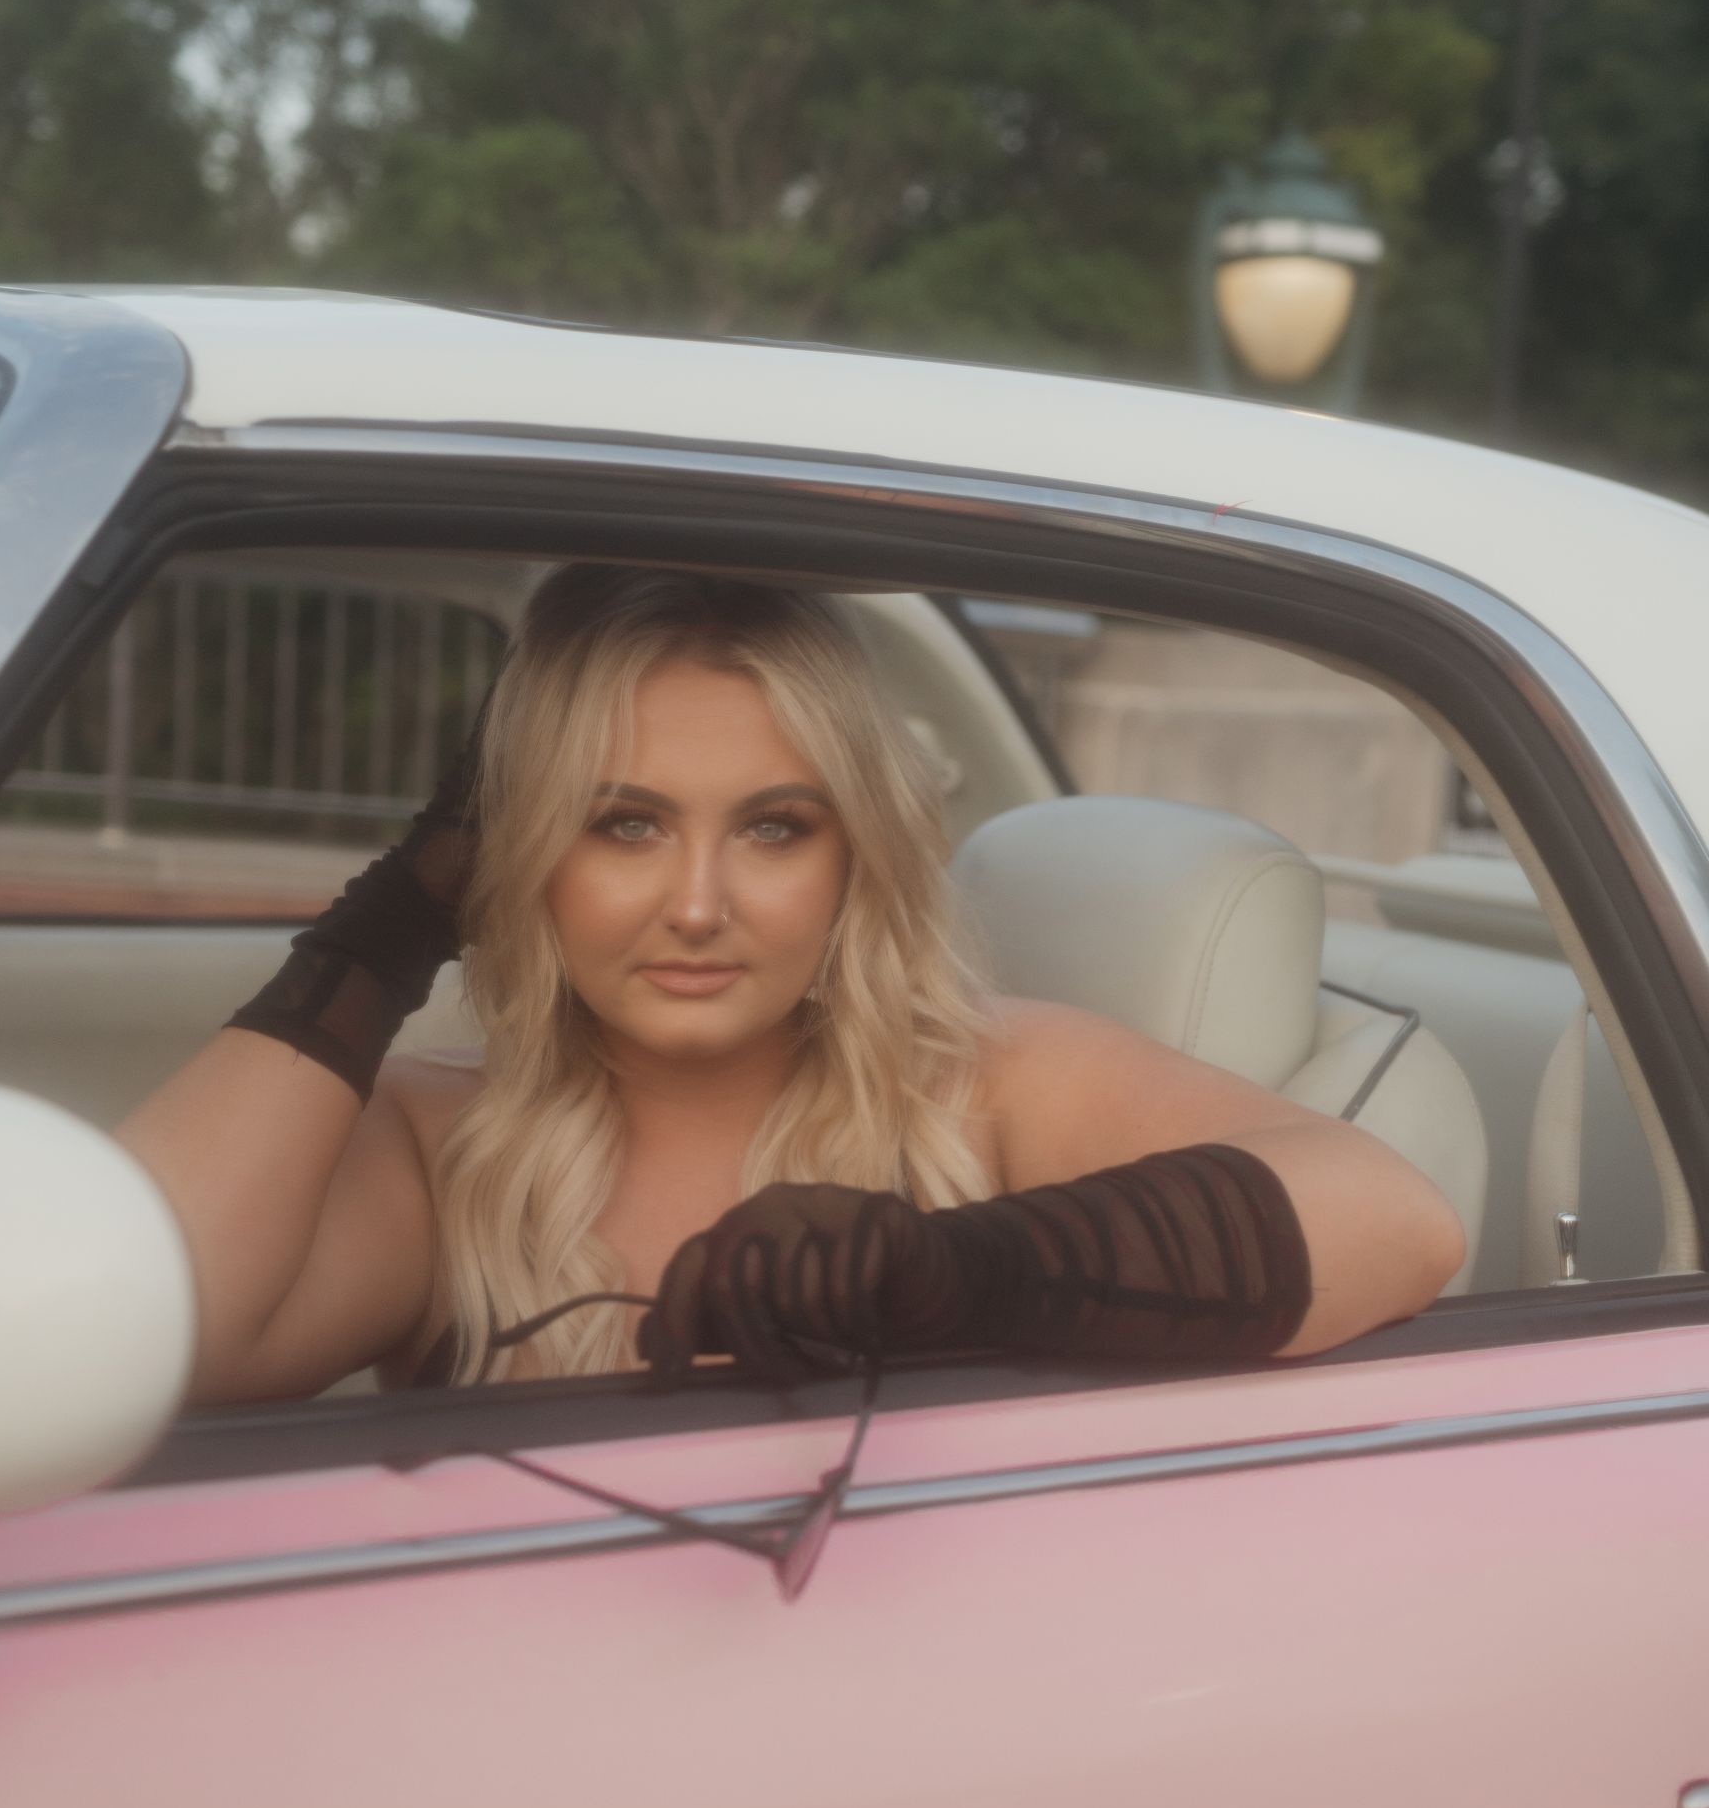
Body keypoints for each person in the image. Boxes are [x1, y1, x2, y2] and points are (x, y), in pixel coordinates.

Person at [117, 565, 1463, 1404]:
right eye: (622, 823)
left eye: (774, 827)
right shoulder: (441, 1148)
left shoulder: (985, 1084)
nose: (697, 903)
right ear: (519, 856)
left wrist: (953, 1271)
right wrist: (387, 928)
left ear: (852, 858)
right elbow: (136, 1332)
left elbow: (1397, 1219)